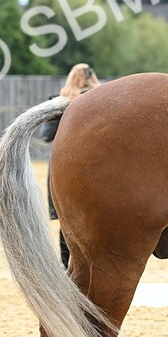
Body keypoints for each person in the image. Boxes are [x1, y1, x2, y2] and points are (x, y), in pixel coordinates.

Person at [39, 63, 102, 269]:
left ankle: (65, 263)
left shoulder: (60, 101)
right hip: (95, 164)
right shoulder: (102, 100)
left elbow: (47, 135)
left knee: (65, 221)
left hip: (64, 163)